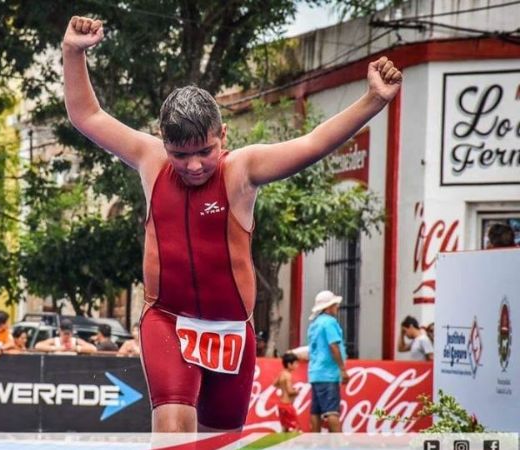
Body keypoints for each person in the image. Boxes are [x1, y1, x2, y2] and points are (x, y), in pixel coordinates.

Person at [61, 16, 401, 432]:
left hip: (231, 330)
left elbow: (312, 144)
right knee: (172, 428)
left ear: (223, 135)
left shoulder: (242, 169)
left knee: (220, 439)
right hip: (168, 317)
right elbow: (87, 116)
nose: (193, 165)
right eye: (179, 154)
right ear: (162, 141)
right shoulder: (150, 159)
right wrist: (73, 52)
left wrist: (373, 100)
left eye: (205, 150)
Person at [307, 290, 349, 433]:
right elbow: (333, 345)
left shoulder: (314, 324)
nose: (337, 307)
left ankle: (316, 444)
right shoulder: (330, 322)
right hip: (328, 373)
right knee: (332, 411)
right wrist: (342, 369)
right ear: (328, 307)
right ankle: (338, 444)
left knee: (316, 412)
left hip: (315, 373)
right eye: (335, 305)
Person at [273, 352, 300, 432]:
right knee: (296, 427)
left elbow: (275, 384)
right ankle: (292, 444)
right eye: (295, 363)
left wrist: (282, 387)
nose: (297, 366)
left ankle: (283, 443)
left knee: (285, 427)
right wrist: (296, 391)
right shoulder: (288, 375)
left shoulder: (281, 373)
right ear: (289, 364)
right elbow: (289, 391)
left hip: (281, 405)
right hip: (287, 405)